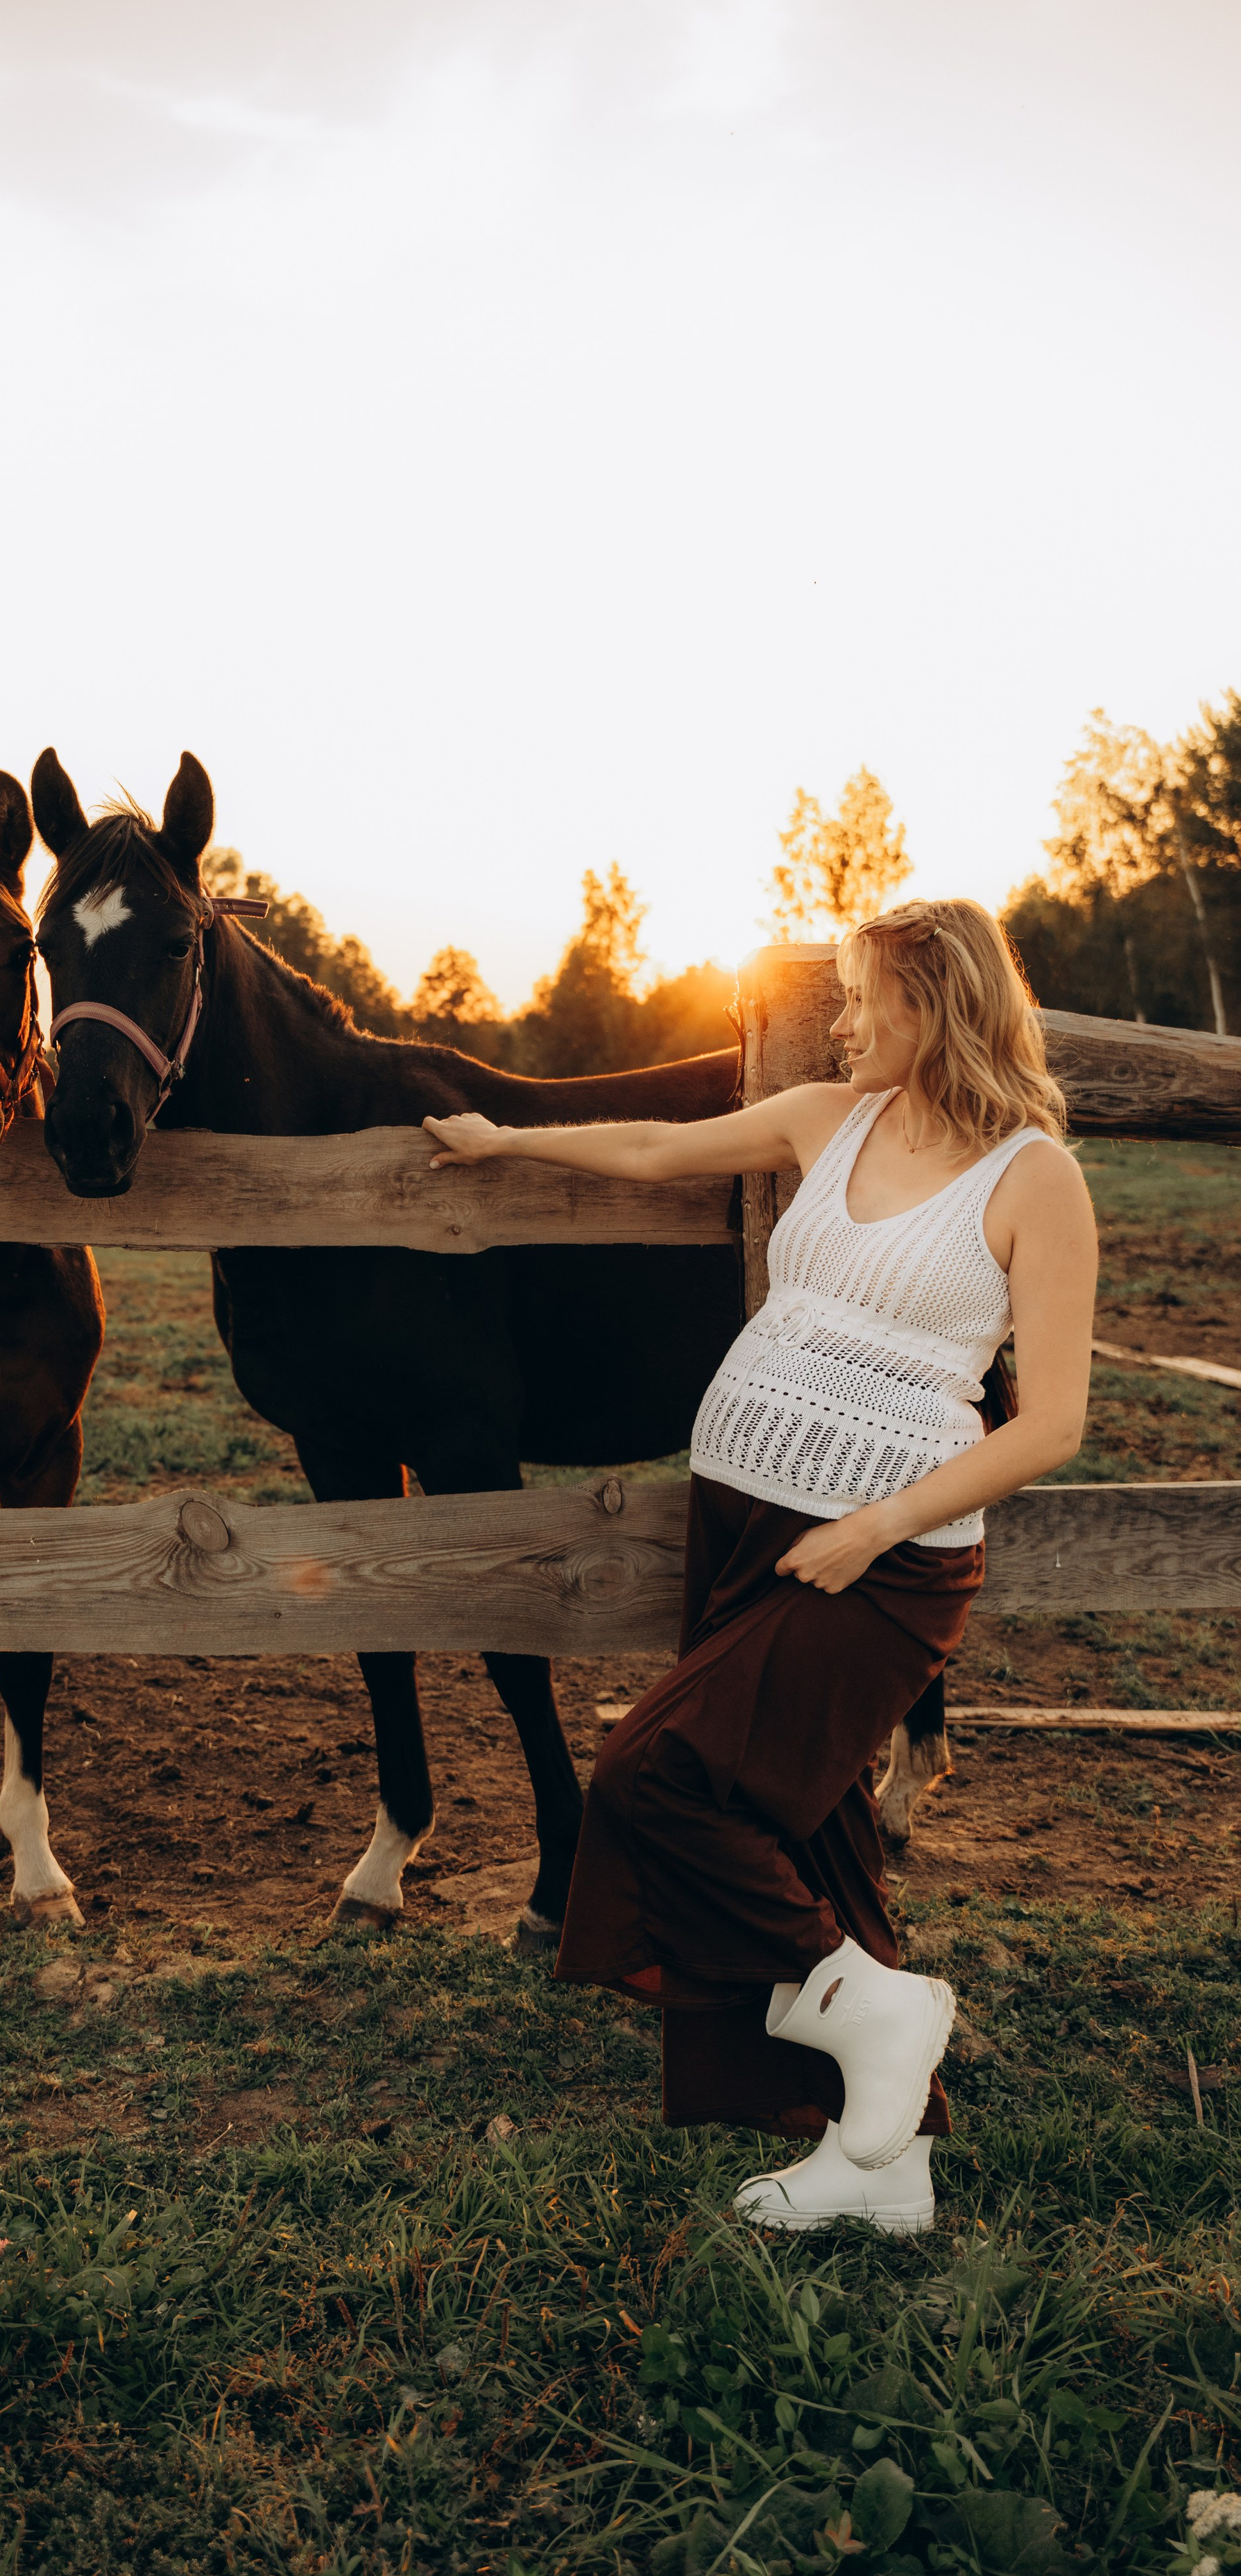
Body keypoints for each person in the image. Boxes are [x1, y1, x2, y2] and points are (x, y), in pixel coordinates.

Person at [422, 899, 1095, 2232]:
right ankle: (877, 2162)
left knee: (654, 1772)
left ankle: (879, 2008)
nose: (840, 1023)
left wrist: (878, 1523)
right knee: (808, 1816)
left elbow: (1056, 1420)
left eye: (862, 1000)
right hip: (741, 1518)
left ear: (937, 1003)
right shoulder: (827, 1120)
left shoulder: (1034, 1177)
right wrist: (503, 1138)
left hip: (877, 1558)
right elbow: (658, 1148)